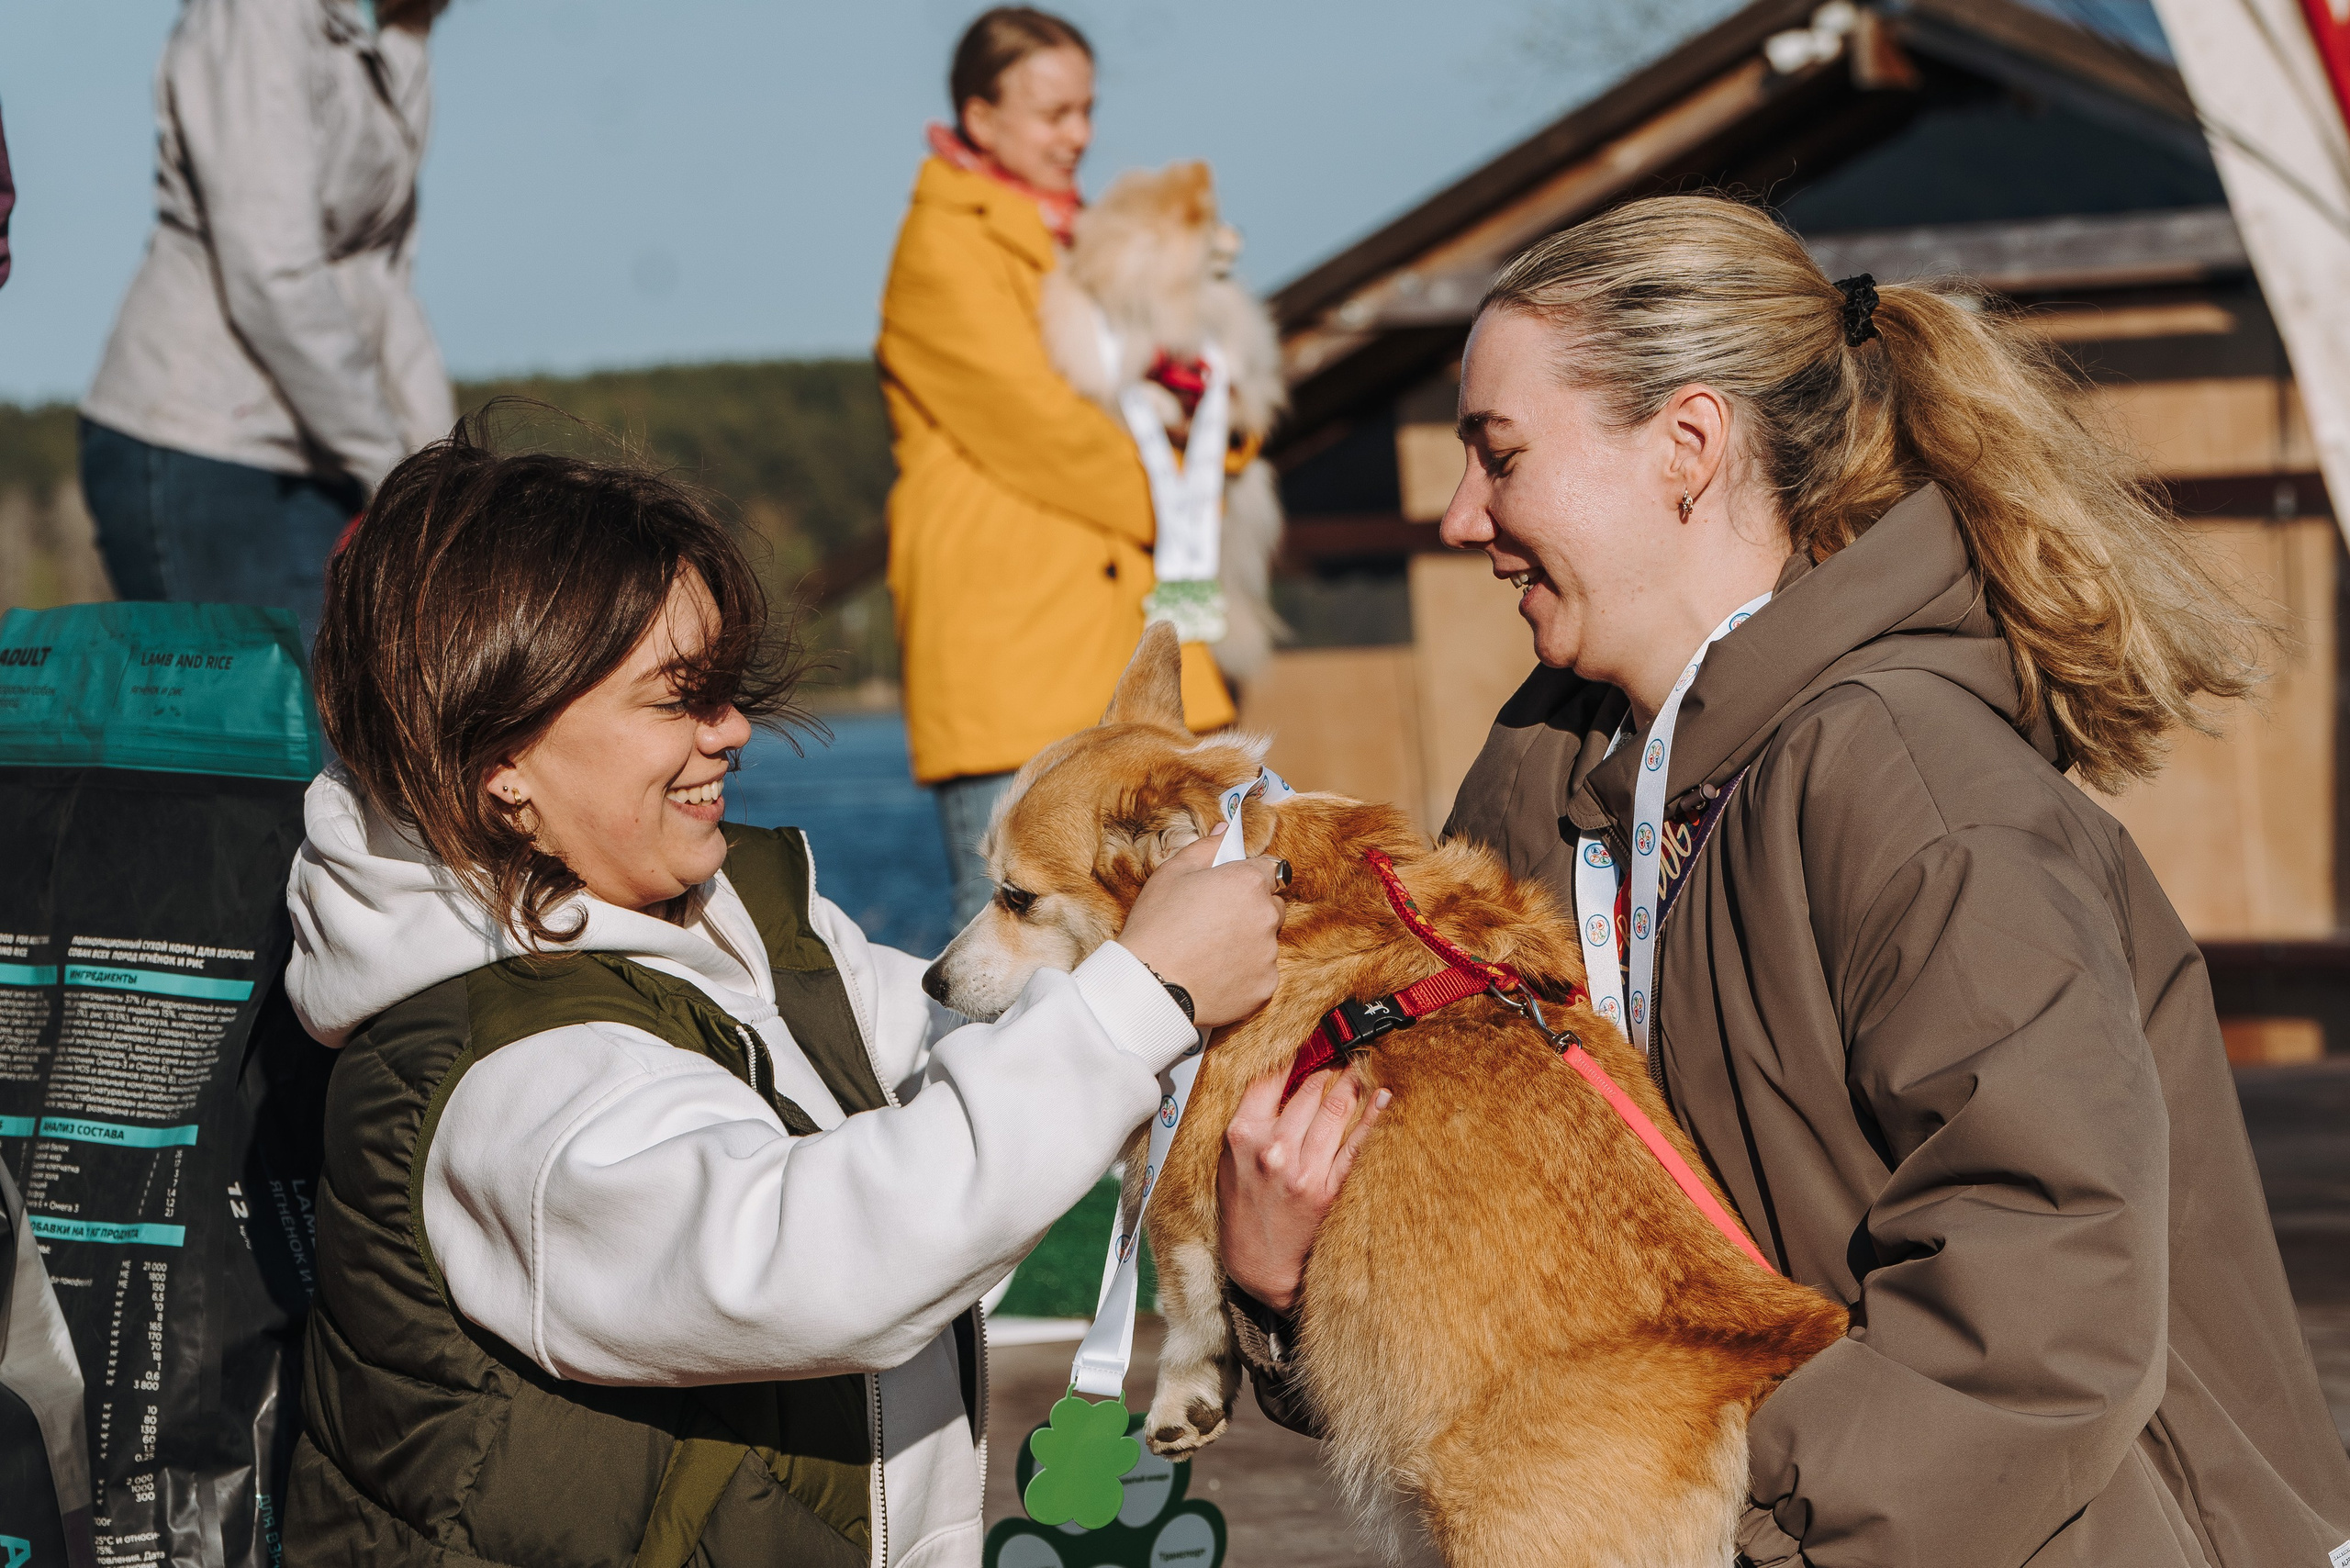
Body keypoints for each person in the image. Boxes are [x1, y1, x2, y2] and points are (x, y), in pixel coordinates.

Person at [1214, 194, 2350, 1565]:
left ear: (1687, 447)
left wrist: (1743, 1524)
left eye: (1499, 456)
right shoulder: (1530, 800)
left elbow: (2046, 1290)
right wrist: (1281, 1284)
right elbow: (1489, 1276)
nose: (1462, 518)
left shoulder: (1916, 789)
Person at [279, 418, 1285, 1566]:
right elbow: (820, 1260)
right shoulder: (504, 1077)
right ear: (502, 760)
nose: (733, 729)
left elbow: (948, 1059)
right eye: (677, 698)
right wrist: (1144, 993)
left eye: (722, 687)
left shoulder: (743, 916)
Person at [879, 6, 1237, 928]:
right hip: (1014, 656)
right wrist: (1191, 494)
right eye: (1052, 114)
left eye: (1086, 110)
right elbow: (1043, 434)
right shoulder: (941, 249)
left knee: (1186, 914)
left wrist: (1220, 411)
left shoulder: (1094, 241)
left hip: (1133, 655)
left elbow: (1194, 397)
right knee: (1006, 930)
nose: (1077, 135)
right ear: (980, 116)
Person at [80, 0, 454, 651]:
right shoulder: (257, 14)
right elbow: (272, 272)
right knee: (284, 711)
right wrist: (389, 465)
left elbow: (384, 278)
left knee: (364, 697)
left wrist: (442, 481)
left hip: (323, 445)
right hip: (202, 444)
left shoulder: (400, 32)